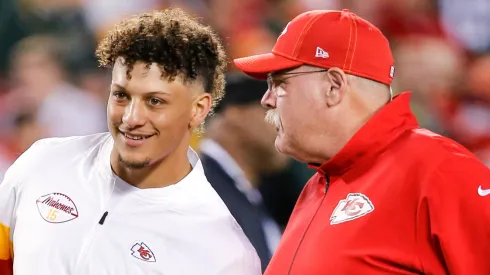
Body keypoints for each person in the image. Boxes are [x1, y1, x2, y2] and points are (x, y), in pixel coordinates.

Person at [0, 9, 261, 275]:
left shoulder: (222, 254)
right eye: (121, 95)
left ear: (198, 109)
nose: (131, 117)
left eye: (155, 101)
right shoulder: (42, 164)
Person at [233, 9, 490, 275]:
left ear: (333, 86)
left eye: (280, 82)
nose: (267, 99)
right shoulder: (318, 187)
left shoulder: (439, 170)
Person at [200, 73, 290, 271]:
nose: (283, 124)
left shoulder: (243, 189)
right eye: (271, 109)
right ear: (235, 113)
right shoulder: (198, 182)